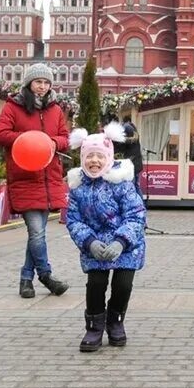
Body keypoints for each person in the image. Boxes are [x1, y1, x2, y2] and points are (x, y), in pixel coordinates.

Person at [66, 124, 147, 353]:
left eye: (99, 156)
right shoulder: (78, 186)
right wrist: (89, 242)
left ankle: (115, 321)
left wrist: (121, 241)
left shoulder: (121, 183)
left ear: (108, 158)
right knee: (96, 284)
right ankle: (93, 326)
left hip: (126, 245)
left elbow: (136, 215)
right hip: (94, 244)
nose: (94, 161)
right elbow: (73, 220)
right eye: (89, 156)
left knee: (122, 285)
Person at [0, 63, 71, 298]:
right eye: (38, 82)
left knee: (36, 234)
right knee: (37, 232)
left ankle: (25, 279)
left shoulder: (55, 109)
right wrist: (30, 140)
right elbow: (1, 134)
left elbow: (65, 138)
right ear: (29, 83)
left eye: (47, 83)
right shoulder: (13, 106)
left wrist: (51, 142)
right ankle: (46, 276)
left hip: (49, 179)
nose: (42, 87)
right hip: (25, 177)